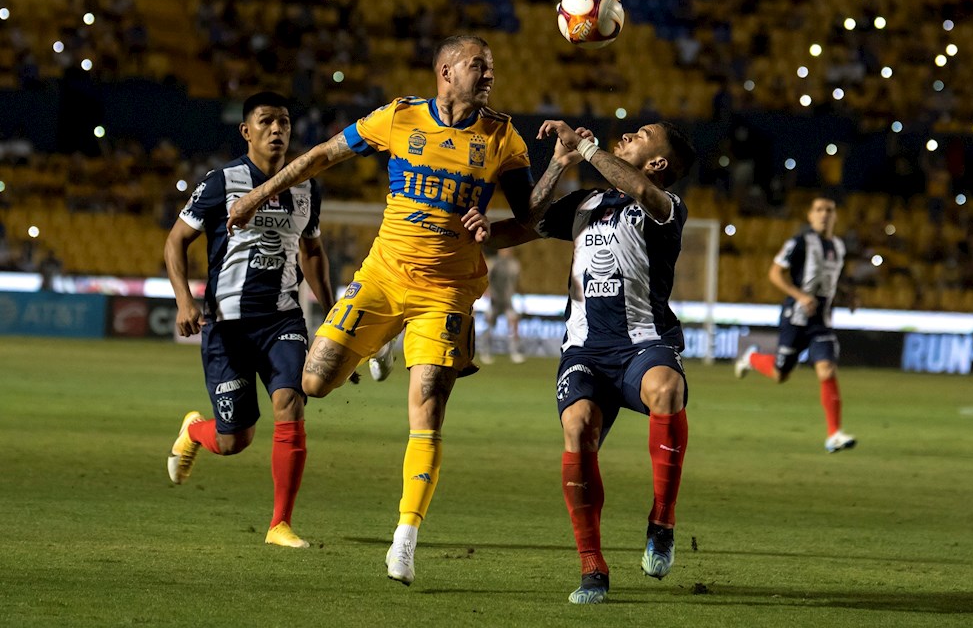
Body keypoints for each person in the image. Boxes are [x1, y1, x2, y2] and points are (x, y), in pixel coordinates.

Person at [226, 36, 542, 586]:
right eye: (478, 66)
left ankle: (405, 538)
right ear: (446, 70)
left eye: (490, 67)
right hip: (381, 277)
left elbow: (530, 220)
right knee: (315, 382)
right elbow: (322, 155)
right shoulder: (398, 118)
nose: (488, 74)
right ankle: (385, 340)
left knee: (427, 406)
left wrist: (501, 222)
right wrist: (257, 195)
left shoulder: (502, 136)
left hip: (446, 291)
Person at [479, 118, 697, 604]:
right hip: (584, 350)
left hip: (642, 343)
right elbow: (524, 224)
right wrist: (558, 164)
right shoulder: (586, 203)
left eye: (639, 137)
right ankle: (592, 567)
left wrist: (591, 147)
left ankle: (662, 519)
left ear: (658, 163)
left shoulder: (666, 208)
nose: (627, 136)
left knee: (666, 389)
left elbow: (639, 186)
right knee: (578, 426)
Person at [163, 91, 336, 549]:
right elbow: (175, 241)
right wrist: (184, 300)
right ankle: (195, 430)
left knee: (290, 402)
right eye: (266, 122)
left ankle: (280, 523)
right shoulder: (222, 182)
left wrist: (334, 311)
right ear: (246, 131)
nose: (277, 129)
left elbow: (312, 251)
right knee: (234, 440)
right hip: (228, 325)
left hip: (282, 319)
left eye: (284, 121)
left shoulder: (306, 185)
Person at [734, 196, 857, 454]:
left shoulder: (838, 246)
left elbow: (832, 279)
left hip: (821, 321)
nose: (824, 214)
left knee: (827, 369)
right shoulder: (799, 243)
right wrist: (800, 295)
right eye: (819, 210)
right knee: (781, 374)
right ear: (810, 216)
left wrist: (847, 296)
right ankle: (752, 357)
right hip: (796, 317)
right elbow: (774, 273)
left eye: (829, 210)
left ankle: (834, 433)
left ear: (835, 216)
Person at [479, 247, 524, 364]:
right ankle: (485, 351)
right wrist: (487, 291)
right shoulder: (493, 263)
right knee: (489, 325)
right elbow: (486, 277)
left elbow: (516, 281)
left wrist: (517, 292)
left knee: (514, 323)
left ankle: (515, 351)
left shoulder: (514, 264)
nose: (506, 251)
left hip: (508, 300)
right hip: (495, 299)